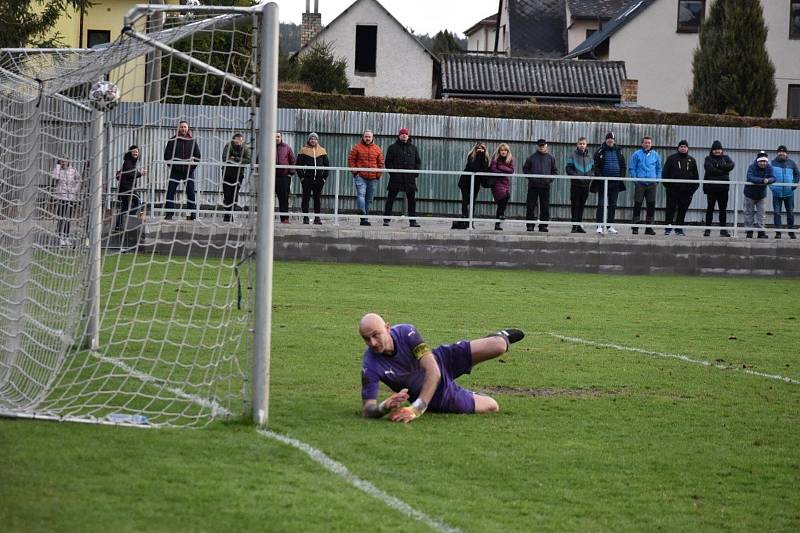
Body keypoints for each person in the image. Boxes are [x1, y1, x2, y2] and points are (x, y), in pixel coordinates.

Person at [358, 313, 525, 422]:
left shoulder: (406, 332)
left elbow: (433, 370)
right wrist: (384, 407)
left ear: (387, 328)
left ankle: (497, 338)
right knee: (492, 405)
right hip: (437, 395)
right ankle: (469, 393)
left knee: (499, 346)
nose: (372, 343)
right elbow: (368, 409)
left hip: (441, 360)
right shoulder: (370, 364)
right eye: (366, 338)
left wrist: (416, 409)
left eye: (376, 335)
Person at [383, 127, 422, 228]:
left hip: (409, 179)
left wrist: (415, 174)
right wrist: (393, 174)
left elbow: (418, 162)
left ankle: (412, 221)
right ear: (399, 135)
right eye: (402, 134)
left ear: (408, 136)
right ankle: (386, 219)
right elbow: (388, 162)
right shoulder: (392, 147)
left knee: (412, 201)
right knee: (390, 199)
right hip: (396, 178)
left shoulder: (413, 148)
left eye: (406, 134)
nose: (404, 135)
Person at [163, 120, 201, 221]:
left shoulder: (192, 140)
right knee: (170, 192)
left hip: (188, 172)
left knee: (191, 193)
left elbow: (198, 156)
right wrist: (174, 166)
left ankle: (192, 214)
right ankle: (169, 214)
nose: (183, 129)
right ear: (178, 128)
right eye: (181, 127)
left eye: (185, 127)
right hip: (175, 171)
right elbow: (166, 156)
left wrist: (191, 167)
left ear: (188, 128)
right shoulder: (172, 140)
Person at [661, 140, 699, 236]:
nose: (683, 148)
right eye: (681, 146)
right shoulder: (671, 159)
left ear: (687, 148)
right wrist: (668, 187)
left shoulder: (692, 160)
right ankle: (668, 228)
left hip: (686, 192)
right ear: (678, 148)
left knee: (682, 210)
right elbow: (665, 174)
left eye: (685, 147)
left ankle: (679, 229)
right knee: (670, 209)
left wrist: (692, 191)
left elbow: (696, 177)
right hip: (672, 191)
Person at [347, 129, 384, 226]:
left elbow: (381, 163)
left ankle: (365, 219)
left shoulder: (377, 149)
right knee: (361, 195)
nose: (367, 138)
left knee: (369, 199)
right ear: (363, 137)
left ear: (372, 138)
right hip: (361, 176)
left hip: (373, 177)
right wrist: (355, 172)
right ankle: (362, 213)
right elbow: (351, 160)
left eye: (369, 137)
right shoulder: (357, 148)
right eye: (366, 136)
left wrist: (378, 175)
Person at [592, 132, 626, 234]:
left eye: (612, 139)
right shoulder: (600, 151)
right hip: (603, 183)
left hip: (615, 183)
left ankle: (610, 225)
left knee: (613, 204)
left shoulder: (619, 151)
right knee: (601, 204)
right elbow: (596, 167)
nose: (610, 140)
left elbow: (623, 166)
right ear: (606, 140)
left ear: (614, 140)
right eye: (608, 138)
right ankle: (599, 225)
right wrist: (601, 178)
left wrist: (621, 177)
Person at [628, 135, 662, 235]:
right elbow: (632, 168)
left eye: (649, 143)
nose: (647, 144)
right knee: (637, 205)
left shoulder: (655, 155)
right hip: (640, 184)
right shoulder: (636, 154)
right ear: (642, 144)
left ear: (651, 144)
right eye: (645, 143)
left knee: (651, 206)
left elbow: (659, 169)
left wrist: (657, 180)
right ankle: (635, 227)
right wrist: (636, 180)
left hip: (652, 184)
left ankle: (649, 228)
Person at [522, 138, 558, 232]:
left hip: (545, 186)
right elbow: (525, 169)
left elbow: (554, 171)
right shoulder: (531, 157)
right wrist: (532, 178)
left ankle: (543, 226)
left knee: (545, 207)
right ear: (537, 146)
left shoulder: (551, 158)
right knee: (531, 206)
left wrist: (549, 180)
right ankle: (530, 225)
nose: (542, 147)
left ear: (546, 146)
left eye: (543, 145)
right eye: (540, 145)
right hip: (533, 186)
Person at [453, 141, 490, 229]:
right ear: (475, 149)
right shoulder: (472, 156)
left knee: (472, 202)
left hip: (476, 183)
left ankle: (470, 222)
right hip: (466, 181)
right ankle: (465, 219)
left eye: (482, 149)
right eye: (478, 149)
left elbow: (484, 171)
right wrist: (478, 155)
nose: (480, 151)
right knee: (465, 201)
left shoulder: (485, 159)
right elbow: (474, 168)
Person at [702, 140, 735, 237]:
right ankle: (707, 229)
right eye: (715, 149)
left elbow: (731, 165)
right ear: (712, 150)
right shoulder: (708, 159)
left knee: (723, 210)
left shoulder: (726, 158)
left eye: (719, 149)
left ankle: (723, 230)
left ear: (722, 150)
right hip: (711, 189)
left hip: (723, 189)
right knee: (710, 209)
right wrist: (723, 171)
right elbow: (709, 169)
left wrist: (718, 166)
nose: (717, 151)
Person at [296, 132, 329, 225]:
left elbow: (327, 166)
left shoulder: (322, 151)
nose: (313, 140)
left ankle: (317, 218)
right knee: (305, 198)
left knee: (317, 198)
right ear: (308, 140)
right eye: (311, 139)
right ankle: (305, 217)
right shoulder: (303, 150)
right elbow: (298, 165)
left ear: (317, 140)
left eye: (314, 139)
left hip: (319, 179)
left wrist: (324, 179)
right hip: (307, 179)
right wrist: (302, 178)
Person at [564, 136, 593, 233]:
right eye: (580, 144)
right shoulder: (573, 155)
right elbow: (568, 169)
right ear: (577, 144)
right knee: (575, 205)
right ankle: (574, 226)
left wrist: (590, 177)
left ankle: (579, 225)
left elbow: (593, 169)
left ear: (586, 145)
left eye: (583, 144)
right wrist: (577, 177)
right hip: (576, 185)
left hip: (586, 185)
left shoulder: (589, 156)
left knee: (582, 206)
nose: (582, 145)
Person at [744, 151, 776, 239]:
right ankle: (749, 231)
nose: (763, 163)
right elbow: (750, 177)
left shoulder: (769, 167)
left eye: (764, 161)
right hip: (749, 194)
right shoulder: (752, 167)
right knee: (748, 213)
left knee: (761, 214)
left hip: (761, 195)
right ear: (757, 161)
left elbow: (773, 178)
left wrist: (768, 180)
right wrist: (763, 180)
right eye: (761, 161)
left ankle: (761, 232)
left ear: (766, 162)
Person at [770, 145, 799, 239]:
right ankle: (778, 233)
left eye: (783, 152)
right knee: (777, 213)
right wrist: (772, 188)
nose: (781, 153)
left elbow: (797, 175)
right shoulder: (772, 163)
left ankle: (791, 232)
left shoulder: (792, 163)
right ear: (777, 153)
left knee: (790, 213)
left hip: (789, 193)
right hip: (776, 193)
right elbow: (768, 175)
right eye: (779, 151)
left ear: (786, 153)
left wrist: (793, 185)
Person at [220, 133, 252, 222]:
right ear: (233, 140)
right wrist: (239, 160)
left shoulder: (245, 148)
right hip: (227, 174)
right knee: (227, 195)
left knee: (234, 195)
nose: (239, 142)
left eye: (241, 140)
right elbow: (225, 158)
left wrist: (235, 158)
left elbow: (248, 160)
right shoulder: (228, 145)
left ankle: (230, 213)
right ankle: (227, 216)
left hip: (238, 175)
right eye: (237, 140)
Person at [115, 145, 147, 231]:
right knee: (138, 202)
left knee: (125, 207)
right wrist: (141, 174)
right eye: (134, 151)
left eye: (137, 151)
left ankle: (119, 225)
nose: (135, 153)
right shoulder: (128, 162)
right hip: (127, 189)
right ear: (130, 152)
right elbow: (129, 174)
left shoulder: (132, 162)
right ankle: (126, 220)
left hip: (127, 188)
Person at [52, 158, 81, 246]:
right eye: (61, 161)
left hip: (70, 198)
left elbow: (79, 180)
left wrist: (74, 190)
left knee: (68, 218)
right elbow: (55, 177)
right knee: (61, 217)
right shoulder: (58, 170)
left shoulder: (73, 170)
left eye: (64, 161)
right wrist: (58, 166)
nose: (63, 162)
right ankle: (61, 237)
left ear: (68, 161)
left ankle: (67, 237)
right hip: (61, 197)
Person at [489, 143, 514, 231]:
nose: (503, 152)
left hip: (504, 182)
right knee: (505, 196)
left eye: (505, 150)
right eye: (502, 150)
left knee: (501, 203)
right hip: (496, 182)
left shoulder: (509, 159)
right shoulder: (495, 158)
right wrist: (503, 171)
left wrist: (501, 167)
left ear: (507, 151)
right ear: (499, 151)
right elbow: (493, 169)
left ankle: (497, 224)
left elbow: (511, 170)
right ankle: (501, 216)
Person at [275, 132, 296, 224]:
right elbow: (259, 159)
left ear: (281, 138)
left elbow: (293, 160)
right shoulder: (267, 146)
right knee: (266, 198)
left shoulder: (286, 148)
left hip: (284, 177)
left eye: (278, 137)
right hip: (269, 177)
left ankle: (284, 219)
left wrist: (290, 173)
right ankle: (265, 219)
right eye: (275, 137)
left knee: (284, 198)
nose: (277, 138)